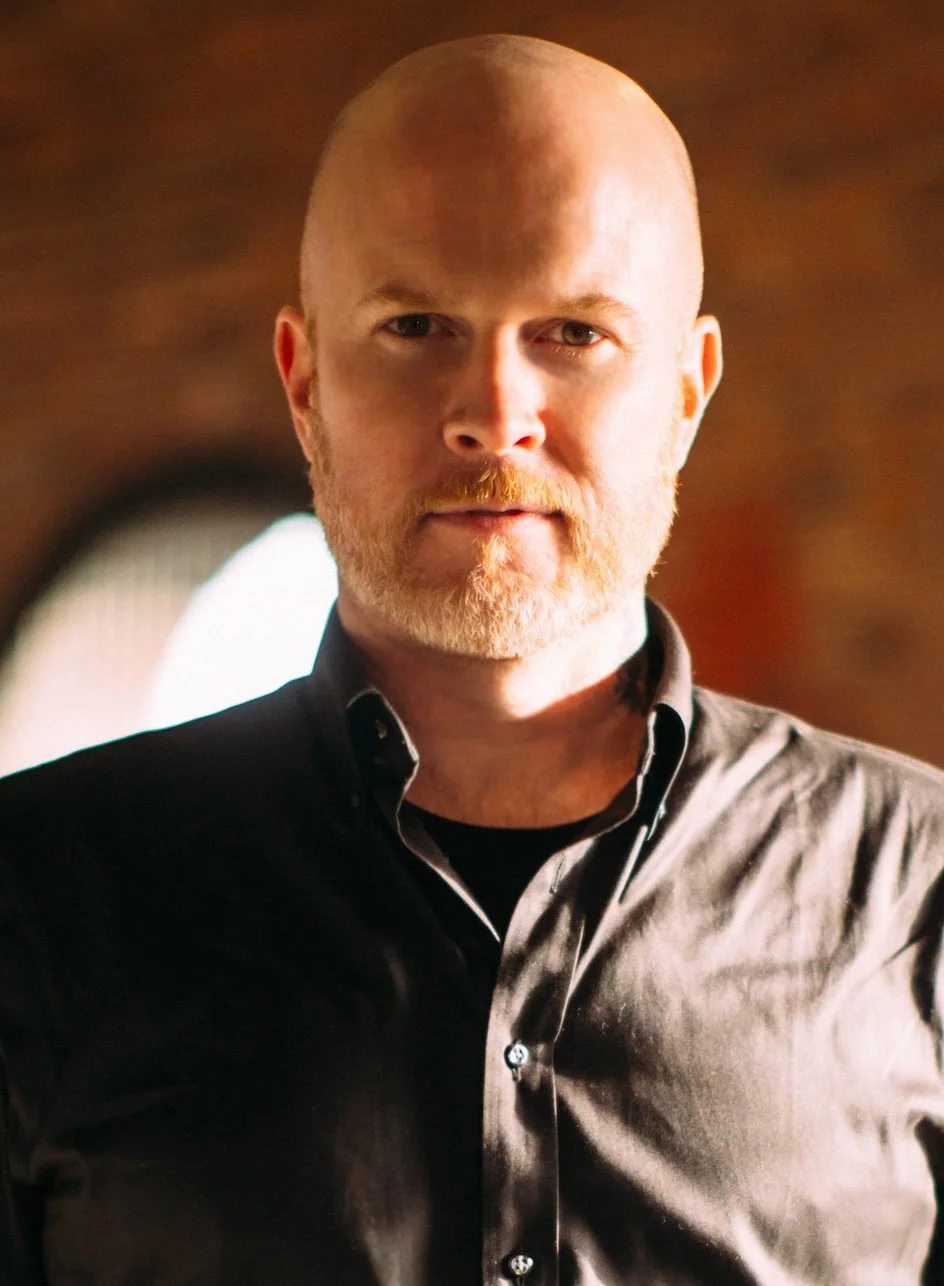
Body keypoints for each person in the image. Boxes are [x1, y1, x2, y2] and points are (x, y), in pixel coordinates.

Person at [0, 32, 942, 1286]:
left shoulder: (918, 894)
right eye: (416, 323)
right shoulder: (38, 899)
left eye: (570, 329)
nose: (493, 409)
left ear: (684, 391)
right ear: (304, 379)